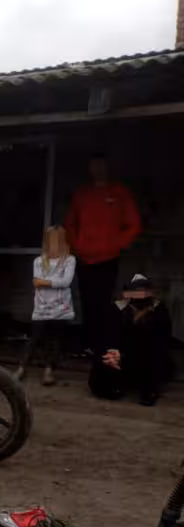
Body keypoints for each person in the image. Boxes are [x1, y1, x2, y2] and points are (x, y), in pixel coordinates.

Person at [64, 154, 141, 354]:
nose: (98, 169)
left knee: (104, 302)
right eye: (94, 165)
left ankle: (103, 345)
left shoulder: (119, 193)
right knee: (87, 301)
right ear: (89, 168)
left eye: (101, 165)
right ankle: (88, 345)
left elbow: (133, 225)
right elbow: (70, 224)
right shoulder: (82, 194)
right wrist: (77, 246)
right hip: (84, 259)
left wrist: (115, 244)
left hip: (108, 258)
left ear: (108, 167)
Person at [89, 274, 172, 406]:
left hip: (147, 352)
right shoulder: (118, 308)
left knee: (153, 359)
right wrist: (113, 350)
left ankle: (149, 391)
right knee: (104, 361)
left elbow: (162, 338)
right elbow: (109, 332)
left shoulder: (158, 310)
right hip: (123, 351)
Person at [14, 226, 76, 386]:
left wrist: (45, 281)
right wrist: (51, 282)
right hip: (41, 307)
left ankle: (49, 371)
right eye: (50, 240)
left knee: (54, 341)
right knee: (34, 339)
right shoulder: (39, 261)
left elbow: (66, 282)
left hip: (61, 308)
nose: (53, 243)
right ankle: (21, 368)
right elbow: (36, 282)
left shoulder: (69, 260)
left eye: (57, 239)